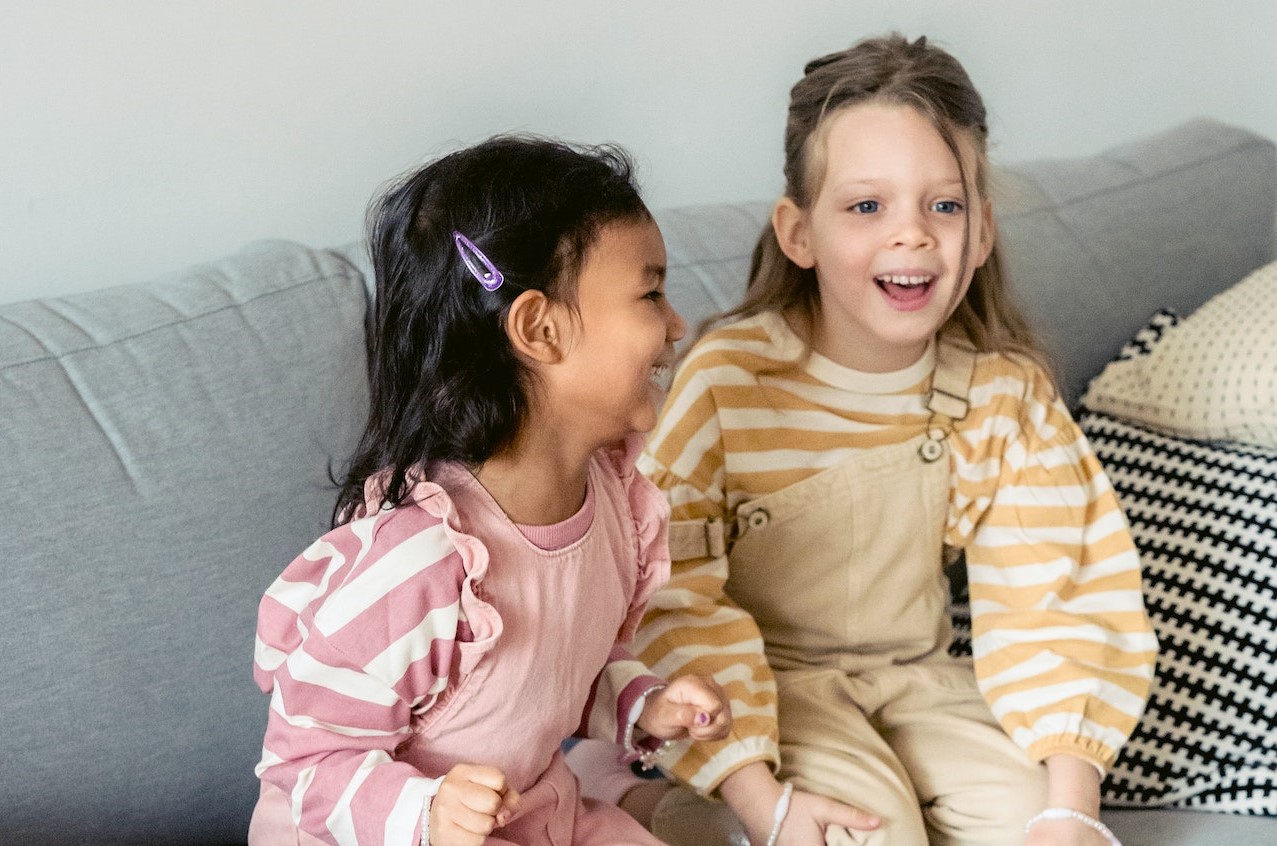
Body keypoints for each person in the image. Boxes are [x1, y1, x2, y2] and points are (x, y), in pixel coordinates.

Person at [603, 33, 1157, 846]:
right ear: (798, 233)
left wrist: (1068, 806)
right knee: (865, 832)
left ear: (981, 231)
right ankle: (634, 805)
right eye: (867, 206)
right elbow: (669, 590)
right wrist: (753, 785)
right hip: (762, 690)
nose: (913, 236)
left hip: (920, 684)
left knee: (1023, 822)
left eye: (943, 204)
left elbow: (1058, 597)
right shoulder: (728, 378)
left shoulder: (1003, 393)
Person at [248, 135, 733, 846]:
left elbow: (558, 673)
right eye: (651, 293)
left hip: (536, 810)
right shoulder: (420, 561)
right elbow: (307, 762)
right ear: (539, 328)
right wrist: (428, 811)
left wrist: (642, 705)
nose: (676, 323)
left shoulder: (616, 508)